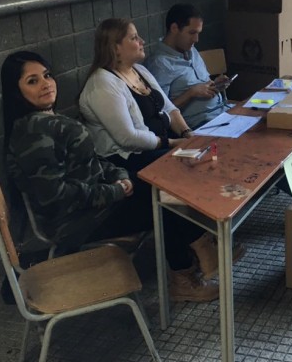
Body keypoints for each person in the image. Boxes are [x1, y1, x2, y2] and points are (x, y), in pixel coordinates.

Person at [3, 50, 220, 302]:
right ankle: (185, 277)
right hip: (76, 221)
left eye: (47, 75)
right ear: (16, 92)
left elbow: (91, 160)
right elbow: (55, 196)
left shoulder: (48, 119)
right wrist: (114, 191)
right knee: (163, 204)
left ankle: (199, 251)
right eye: (32, 81)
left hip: (96, 203)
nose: (46, 84)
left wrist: (119, 175)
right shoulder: (33, 133)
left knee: (164, 186)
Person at [79, 18, 245, 285]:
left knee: (201, 161)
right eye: (133, 38)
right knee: (172, 184)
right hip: (124, 160)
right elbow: (128, 138)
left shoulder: (140, 72)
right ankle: (188, 264)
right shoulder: (102, 84)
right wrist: (171, 145)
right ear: (115, 47)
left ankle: (199, 248)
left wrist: (189, 136)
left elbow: (170, 108)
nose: (141, 41)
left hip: (158, 146)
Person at [145, 4, 230, 129]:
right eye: (191, 33)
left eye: (198, 33)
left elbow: (202, 83)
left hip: (223, 110)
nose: (196, 39)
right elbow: (160, 112)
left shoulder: (191, 50)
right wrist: (191, 93)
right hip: (201, 123)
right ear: (174, 28)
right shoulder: (159, 64)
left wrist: (214, 85)